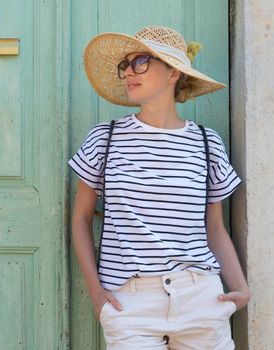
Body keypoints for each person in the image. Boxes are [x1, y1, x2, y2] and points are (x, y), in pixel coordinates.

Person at [69, 26, 250, 349]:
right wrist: (97, 294)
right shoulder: (105, 139)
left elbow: (214, 228)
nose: (128, 72)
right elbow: (81, 219)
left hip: (201, 298)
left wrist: (241, 289)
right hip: (131, 304)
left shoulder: (207, 144)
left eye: (140, 61)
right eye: (124, 65)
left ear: (172, 73)